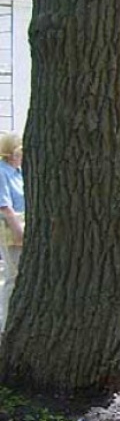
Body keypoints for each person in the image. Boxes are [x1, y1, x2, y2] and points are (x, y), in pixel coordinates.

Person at [0, 133, 24, 334]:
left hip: (25, 225)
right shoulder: (2, 172)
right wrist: (18, 231)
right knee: (13, 276)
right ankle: (6, 325)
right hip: (11, 228)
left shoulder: (19, 172)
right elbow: (5, 206)